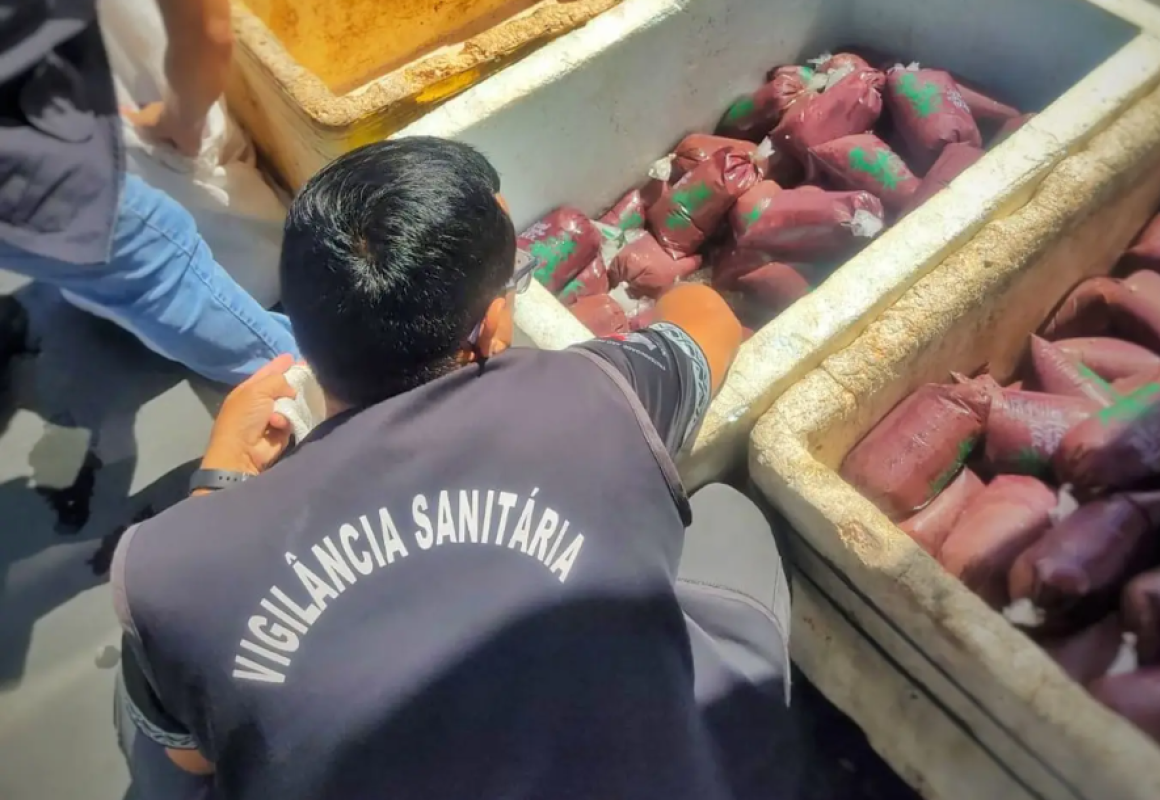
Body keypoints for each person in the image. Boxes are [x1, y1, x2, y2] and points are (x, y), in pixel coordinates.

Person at [111, 137, 800, 799]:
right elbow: (705, 317)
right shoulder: (594, 395)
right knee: (727, 515)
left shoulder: (170, 567)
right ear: (494, 327)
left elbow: (190, 749)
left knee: (144, 712)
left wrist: (215, 493)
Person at [0, 0, 297, 385]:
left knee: (134, 265)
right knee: (156, 273)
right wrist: (179, 119)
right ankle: (335, 397)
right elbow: (208, 28)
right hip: (32, 158)